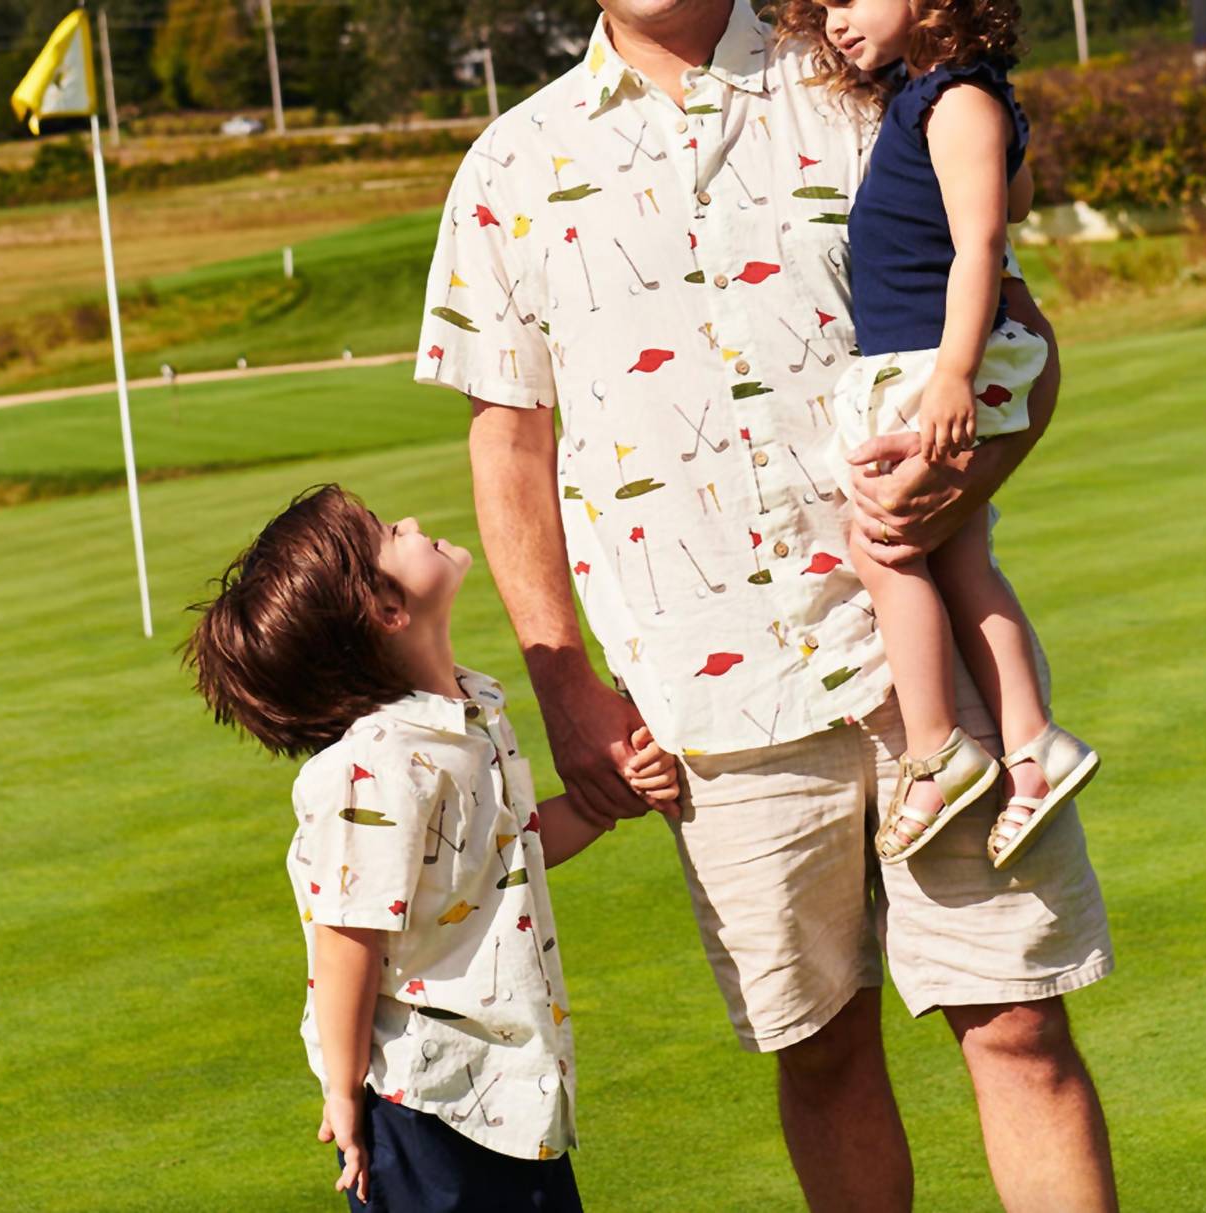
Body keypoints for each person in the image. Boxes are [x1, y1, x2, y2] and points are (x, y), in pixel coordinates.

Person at [414, 0, 1118, 1208]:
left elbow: (1019, 340)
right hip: (711, 694)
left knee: (1020, 1028)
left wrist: (970, 475)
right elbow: (510, 446)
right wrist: (563, 684)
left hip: (930, 665)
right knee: (824, 1056)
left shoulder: (864, 82)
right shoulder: (509, 165)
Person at [184, 485, 677, 1211]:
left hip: (510, 1091)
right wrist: (342, 1090)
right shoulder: (372, 768)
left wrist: (606, 803)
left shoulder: (463, 718)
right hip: (422, 1106)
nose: (411, 523)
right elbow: (346, 937)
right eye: (389, 532)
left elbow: (508, 852)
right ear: (387, 610)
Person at [786, 0, 1099, 870]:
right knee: (958, 557)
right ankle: (1033, 746)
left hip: (937, 356)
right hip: (928, 352)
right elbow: (1016, 194)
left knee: (883, 543)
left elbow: (983, 241)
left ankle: (937, 751)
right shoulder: (941, 94)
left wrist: (955, 374)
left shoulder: (955, 99)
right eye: (823, 7)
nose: (835, 21)